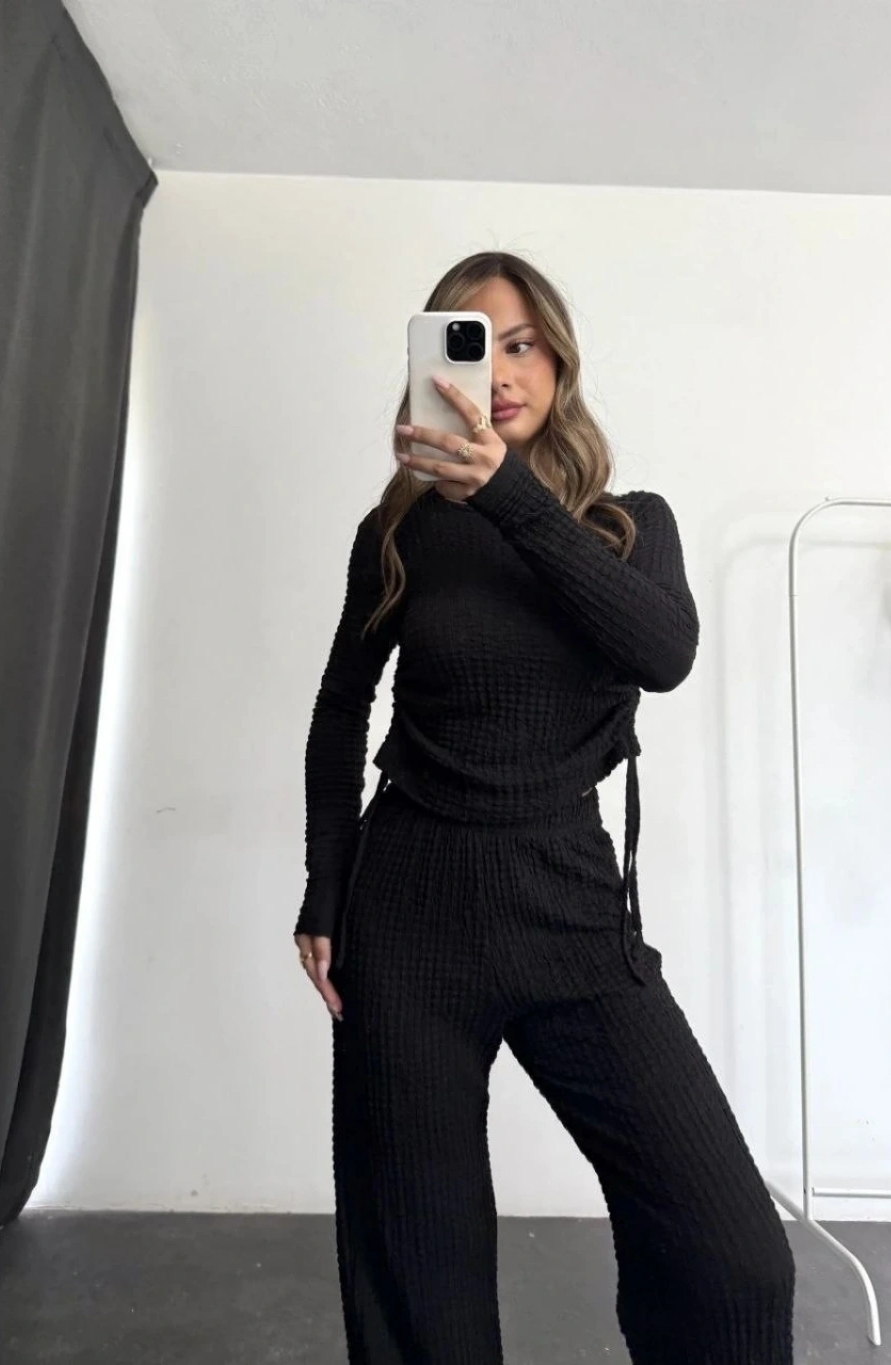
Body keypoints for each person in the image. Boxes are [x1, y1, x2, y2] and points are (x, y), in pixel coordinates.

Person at [294, 252, 795, 1364]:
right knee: (420, 1276)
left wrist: (508, 498)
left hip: (567, 903)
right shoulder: (399, 536)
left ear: (558, 364)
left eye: (520, 345)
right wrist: (324, 885)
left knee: (732, 1258)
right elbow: (340, 707)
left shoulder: (628, 525)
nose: (502, 374)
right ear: (433, 370)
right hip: (407, 911)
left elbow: (663, 653)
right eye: (473, 348)